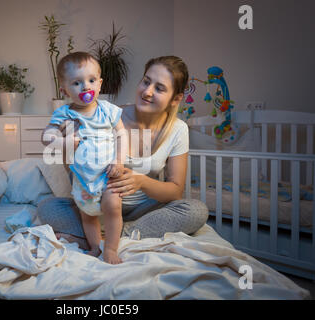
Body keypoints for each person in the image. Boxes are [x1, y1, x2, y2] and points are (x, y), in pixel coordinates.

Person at [38, 55, 208, 259]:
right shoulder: (107, 116)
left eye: (160, 88)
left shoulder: (178, 130)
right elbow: (78, 169)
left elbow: (175, 191)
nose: (147, 91)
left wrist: (141, 182)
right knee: (48, 206)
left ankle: (114, 235)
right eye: (146, 81)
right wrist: (67, 144)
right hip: (100, 201)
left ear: (176, 99)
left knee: (196, 210)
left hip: (144, 211)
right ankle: (105, 234)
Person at [41, 52, 128, 264]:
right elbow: (46, 137)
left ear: (100, 84)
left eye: (91, 81)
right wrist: (64, 143)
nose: (86, 87)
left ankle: (110, 249)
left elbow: (122, 134)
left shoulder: (108, 110)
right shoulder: (64, 113)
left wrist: (119, 161)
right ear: (65, 90)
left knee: (113, 208)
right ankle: (95, 246)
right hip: (82, 180)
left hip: (108, 175)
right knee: (87, 215)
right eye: (77, 83)